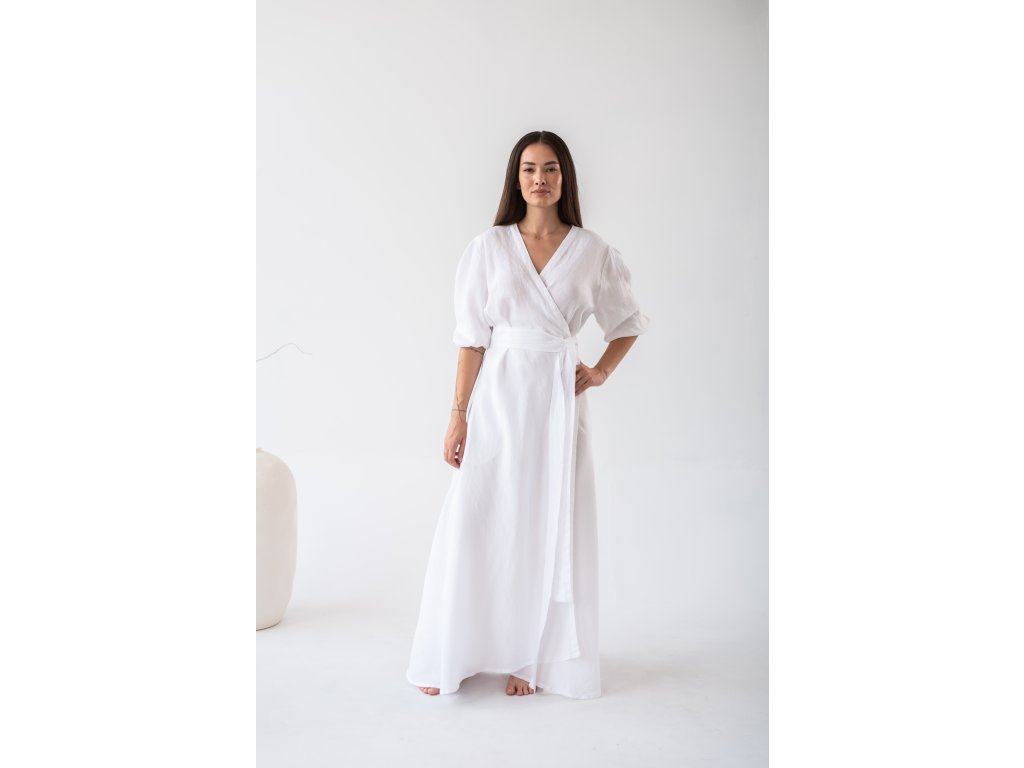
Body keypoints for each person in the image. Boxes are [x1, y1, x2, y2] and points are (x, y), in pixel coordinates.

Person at [406, 130, 650, 699]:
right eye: (529, 169)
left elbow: (628, 321)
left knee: (547, 520)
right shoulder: (488, 248)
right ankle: (456, 649)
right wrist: (458, 415)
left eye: (551, 169)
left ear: (565, 177)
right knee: (478, 517)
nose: (540, 179)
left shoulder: (592, 251)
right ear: (516, 179)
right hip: (499, 398)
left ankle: (533, 657)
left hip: (556, 405)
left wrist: (600, 371)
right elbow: (472, 339)